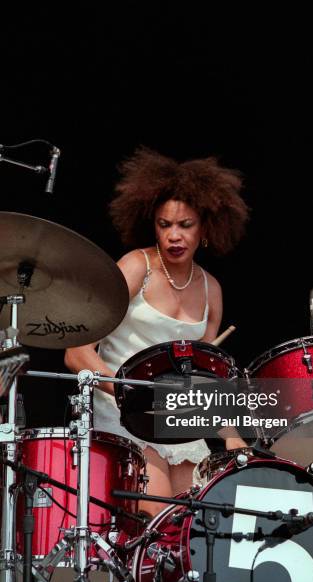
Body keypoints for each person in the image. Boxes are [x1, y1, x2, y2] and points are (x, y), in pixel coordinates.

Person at [64, 147, 249, 517]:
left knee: (193, 524)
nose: (174, 236)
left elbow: (205, 378)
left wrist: (231, 436)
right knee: (160, 517)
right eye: (165, 225)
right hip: (122, 410)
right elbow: (76, 352)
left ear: (206, 227)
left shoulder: (212, 289)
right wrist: (130, 392)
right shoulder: (137, 266)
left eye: (186, 225)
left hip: (178, 417)